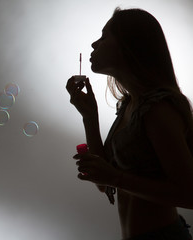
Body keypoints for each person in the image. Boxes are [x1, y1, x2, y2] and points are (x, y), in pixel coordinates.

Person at [66, 7, 193, 240]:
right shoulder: (130, 105)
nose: (94, 44)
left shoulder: (157, 109)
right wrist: (89, 118)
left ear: (129, 45)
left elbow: (189, 194)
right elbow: (104, 184)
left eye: (104, 37)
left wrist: (115, 178)